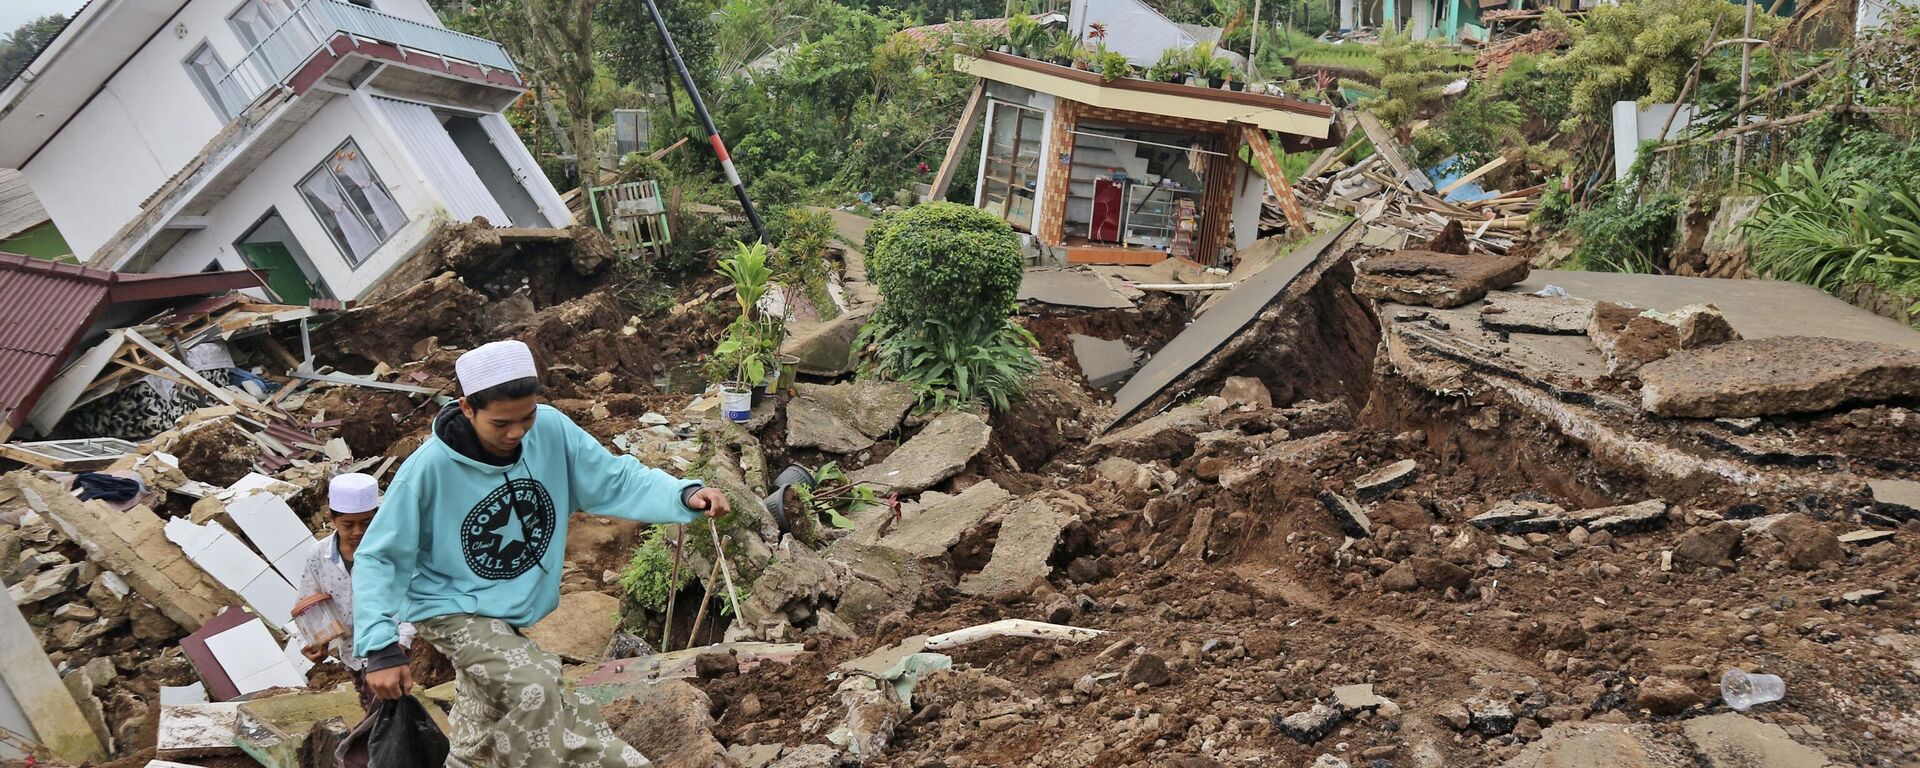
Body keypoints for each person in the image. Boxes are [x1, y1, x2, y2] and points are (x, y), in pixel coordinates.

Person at [351, 340, 730, 768]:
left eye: (526, 417)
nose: (517, 433)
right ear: (467, 408)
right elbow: (380, 556)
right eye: (501, 423)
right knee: (537, 686)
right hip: (450, 608)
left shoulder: (550, 429)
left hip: (509, 608)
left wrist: (683, 494)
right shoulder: (427, 470)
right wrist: (380, 648)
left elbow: (615, 480)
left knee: (497, 706)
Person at [293, 472, 412, 712]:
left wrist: (401, 641)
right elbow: (307, 603)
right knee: (370, 707)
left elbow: (413, 598)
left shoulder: (392, 551)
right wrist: (312, 642)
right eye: (349, 524)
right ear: (332, 518)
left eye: (366, 523)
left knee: (393, 711)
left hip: (391, 649)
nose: (358, 531)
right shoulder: (319, 555)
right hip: (351, 653)